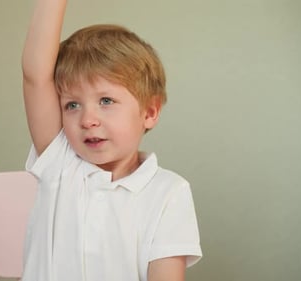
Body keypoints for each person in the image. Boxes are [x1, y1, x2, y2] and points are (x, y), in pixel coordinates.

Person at [21, 0, 202, 280]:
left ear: (150, 111)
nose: (87, 119)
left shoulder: (170, 193)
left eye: (106, 101)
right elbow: (35, 76)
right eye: (72, 105)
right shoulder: (59, 164)